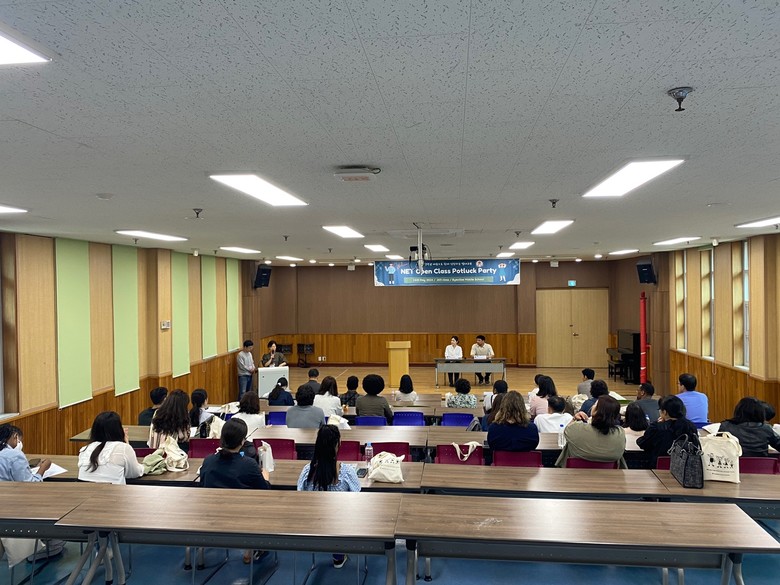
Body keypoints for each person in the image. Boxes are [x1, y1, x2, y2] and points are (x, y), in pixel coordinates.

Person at [199, 418, 271, 564]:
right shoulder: (249, 464)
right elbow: (265, 491)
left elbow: (202, 487)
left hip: (211, 518)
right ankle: (252, 549)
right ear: (243, 441)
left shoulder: (208, 461)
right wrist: (266, 476)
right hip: (242, 520)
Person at [297, 425, 360, 569]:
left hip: (310, 528)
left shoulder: (307, 471)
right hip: (340, 529)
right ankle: (338, 553)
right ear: (337, 445)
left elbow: (300, 496)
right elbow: (358, 500)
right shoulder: (346, 472)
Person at [555, 396, 627, 468]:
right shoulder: (620, 433)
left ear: (596, 411)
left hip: (575, 473)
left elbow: (566, 431)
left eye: (595, 404)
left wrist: (574, 419)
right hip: (609, 474)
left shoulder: (576, 428)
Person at [78, 411, 144, 484]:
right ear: (118, 430)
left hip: (84, 491)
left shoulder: (85, 449)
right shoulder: (123, 448)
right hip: (114, 491)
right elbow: (134, 473)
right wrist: (144, 466)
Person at [637, 395, 699, 468]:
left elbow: (643, 443)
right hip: (685, 468)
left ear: (665, 412)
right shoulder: (691, 426)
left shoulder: (657, 427)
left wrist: (655, 424)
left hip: (659, 468)